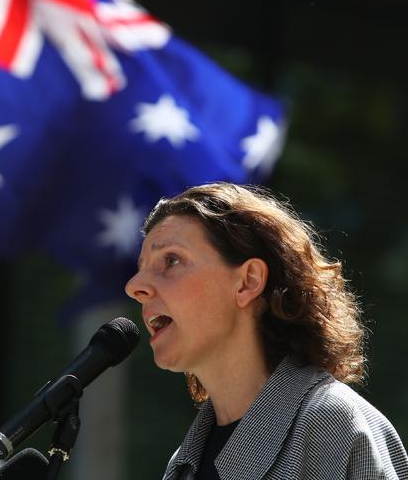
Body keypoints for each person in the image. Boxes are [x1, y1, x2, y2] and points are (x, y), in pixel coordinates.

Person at [125, 182, 408, 480]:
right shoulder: (181, 465)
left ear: (248, 281)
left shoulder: (333, 424)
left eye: (171, 260)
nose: (134, 286)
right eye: (141, 267)